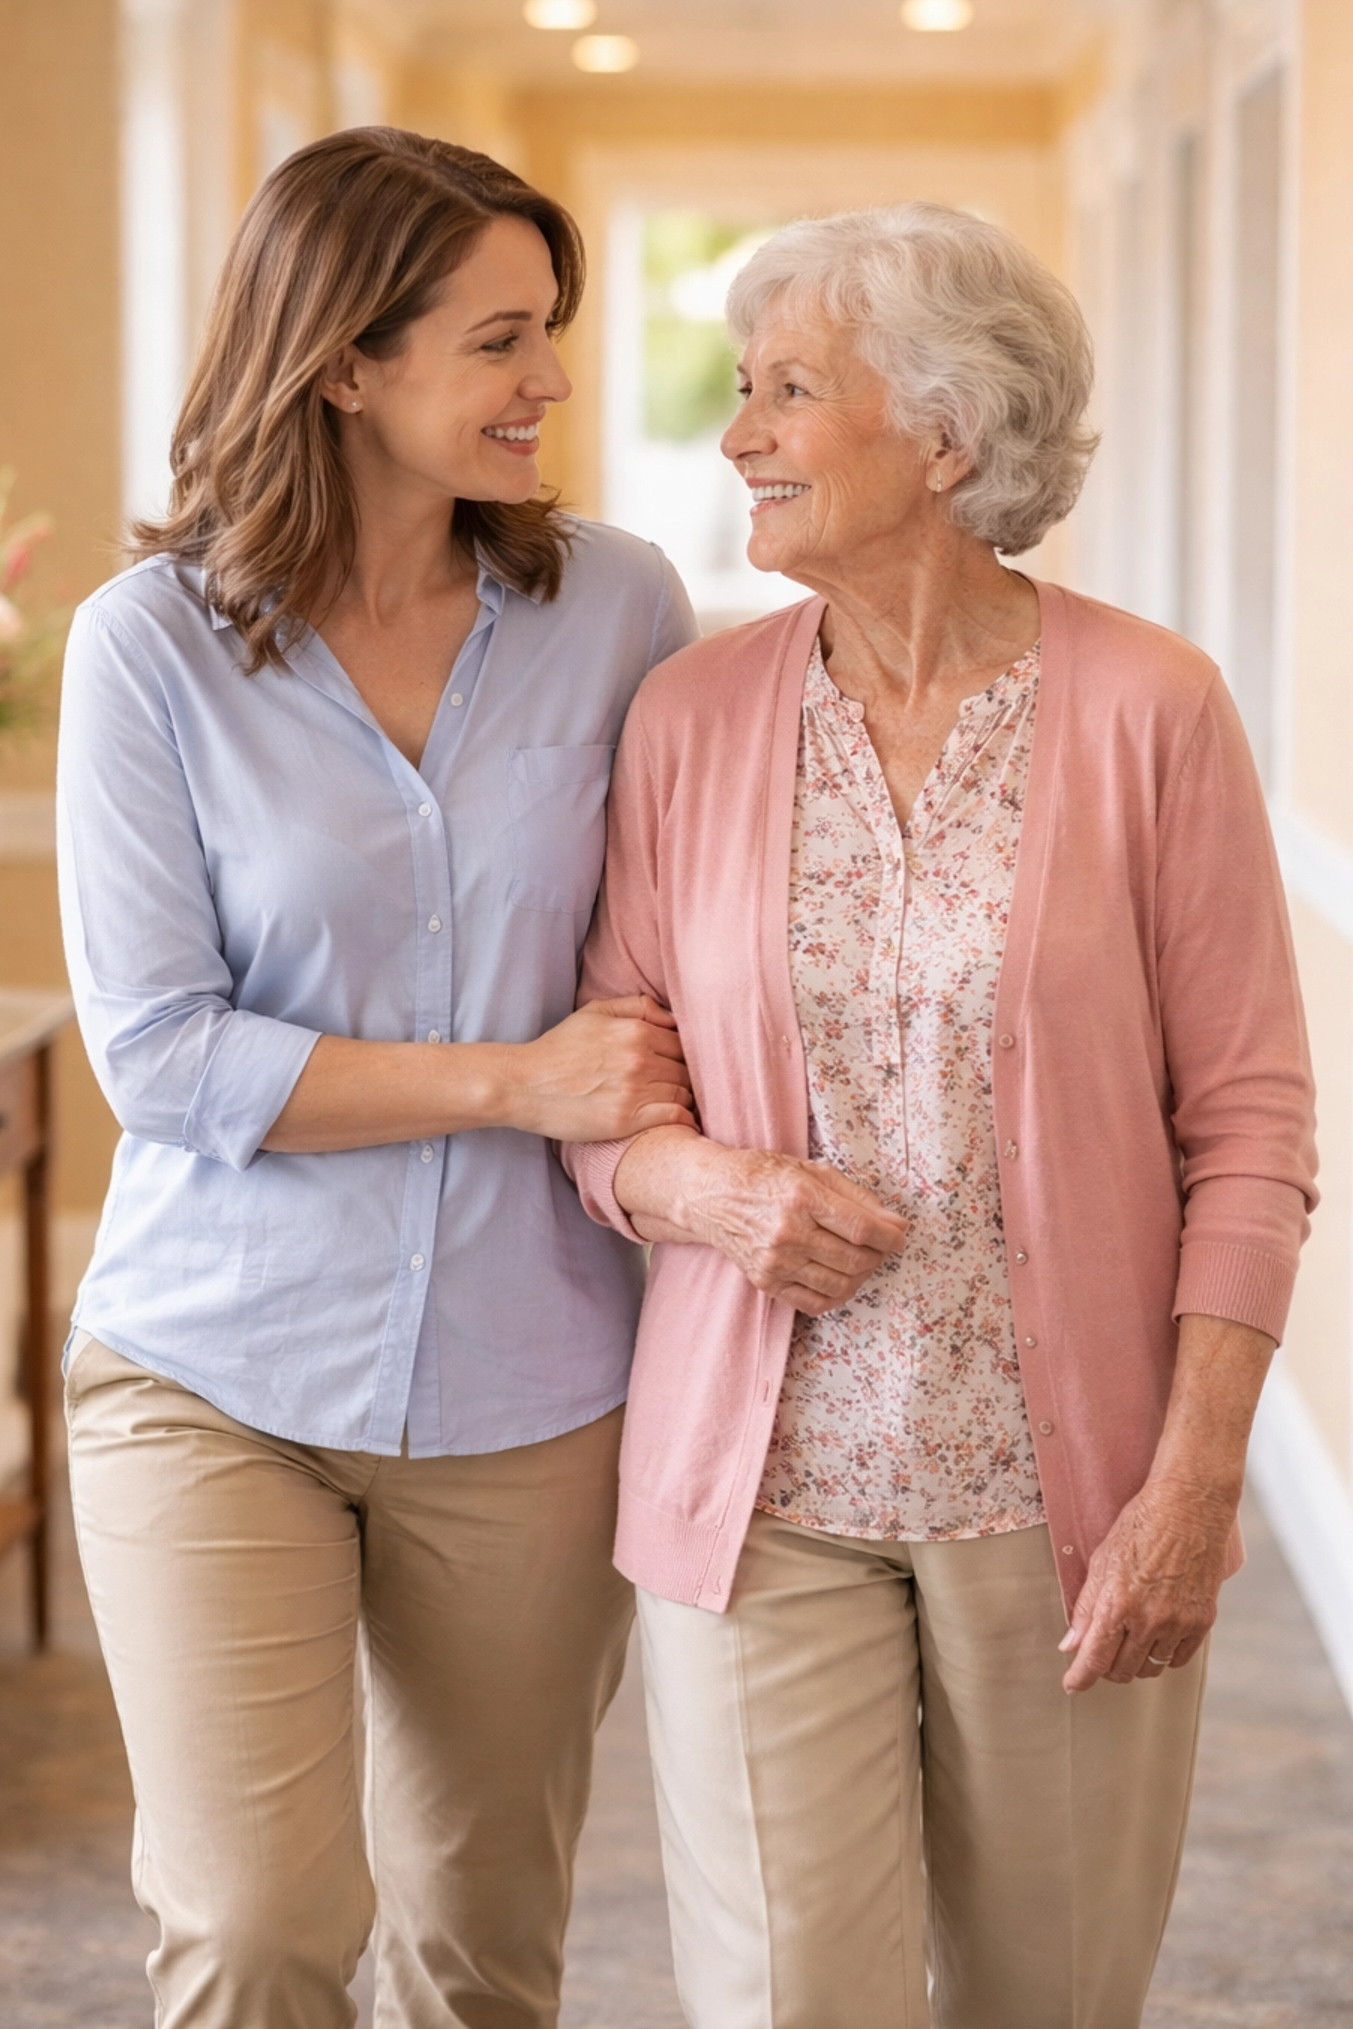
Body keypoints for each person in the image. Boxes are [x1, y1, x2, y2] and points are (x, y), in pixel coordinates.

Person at [564, 201, 1317, 2029]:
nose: (737, 433)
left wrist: (1197, 1476)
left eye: (790, 391)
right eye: (744, 389)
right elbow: (611, 1076)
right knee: (786, 2001)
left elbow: (1253, 1127)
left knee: (1046, 1994)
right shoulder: (689, 717)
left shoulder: (1151, 709)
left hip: (1066, 1495)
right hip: (766, 1495)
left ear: (949, 435)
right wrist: (714, 1190)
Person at [56, 127, 697, 2029]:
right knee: (255, 1928)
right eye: (503, 340)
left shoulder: (622, 611)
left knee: (483, 1940)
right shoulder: (148, 649)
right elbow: (162, 1057)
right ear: (347, 359)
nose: (553, 383)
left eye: (551, 332)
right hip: (216, 1367)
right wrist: (516, 1086)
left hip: (531, 1380)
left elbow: (680, 949)